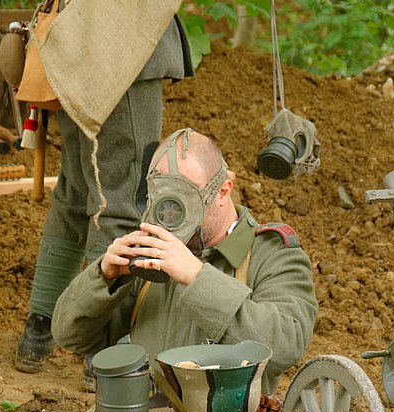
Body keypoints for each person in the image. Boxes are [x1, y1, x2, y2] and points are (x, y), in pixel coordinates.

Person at [51, 128, 318, 397]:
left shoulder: (271, 253)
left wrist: (196, 277)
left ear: (223, 192)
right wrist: (105, 277)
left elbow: (286, 344)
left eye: (184, 197)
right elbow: (71, 336)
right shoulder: (152, 255)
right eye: (162, 195)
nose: (171, 215)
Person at [14, 11, 193, 374]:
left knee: (76, 189)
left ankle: (40, 324)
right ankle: (106, 343)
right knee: (122, 197)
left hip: (73, 40)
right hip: (124, 43)